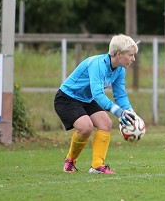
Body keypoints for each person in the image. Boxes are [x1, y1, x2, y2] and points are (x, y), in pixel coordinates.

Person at [53, 34, 140, 175]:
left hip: (86, 99)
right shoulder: (98, 64)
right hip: (67, 99)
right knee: (85, 127)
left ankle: (97, 166)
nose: (133, 59)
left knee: (106, 123)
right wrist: (117, 111)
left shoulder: (119, 70)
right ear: (119, 54)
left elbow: (120, 95)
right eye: (131, 55)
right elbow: (98, 94)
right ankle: (70, 161)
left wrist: (129, 111)